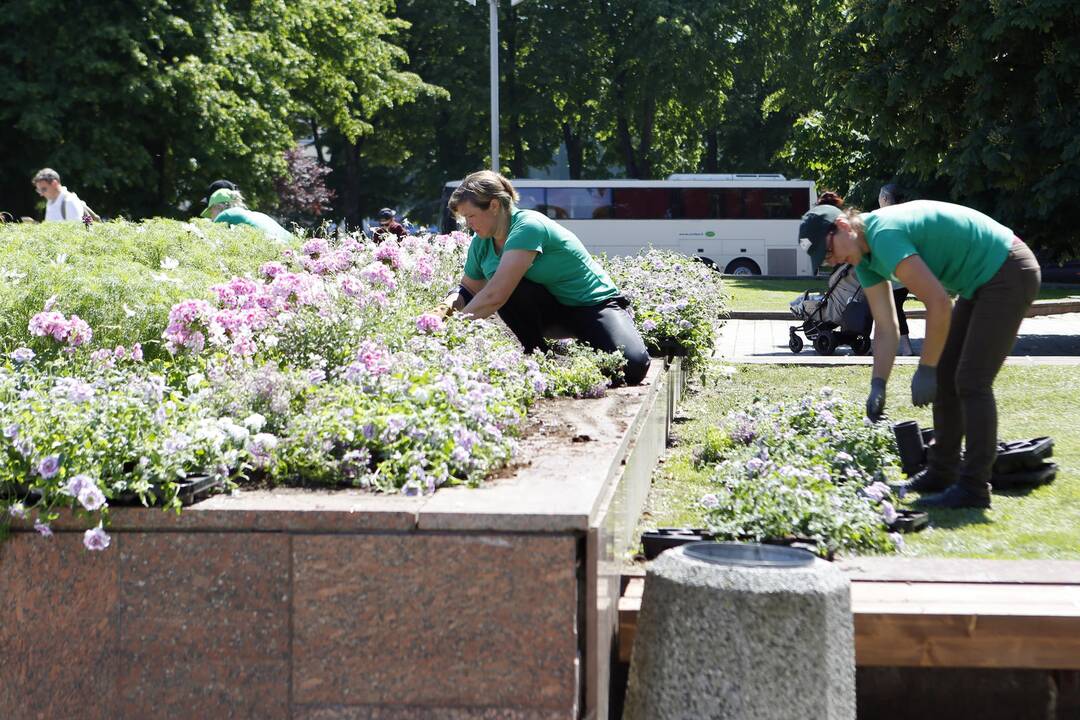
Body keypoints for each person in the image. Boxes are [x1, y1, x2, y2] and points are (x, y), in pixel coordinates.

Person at [799, 200, 1040, 509]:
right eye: (824, 259)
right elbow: (886, 327)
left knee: (971, 381)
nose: (831, 261)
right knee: (947, 375)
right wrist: (878, 385)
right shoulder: (865, 258)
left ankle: (974, 488)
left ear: (843, 226)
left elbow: (938, 303)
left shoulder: (884, 235)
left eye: (828, 251)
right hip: (981, 281)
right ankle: (942, 472)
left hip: (1008, 269)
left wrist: (925, 368)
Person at [437, 170, 651, 385]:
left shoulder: (528, 226)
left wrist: (452, 329)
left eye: (471, 216)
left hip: (594, 306)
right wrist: (441, 311)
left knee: (631, 368)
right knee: (511, 285)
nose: (467, 224)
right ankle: (539, 356)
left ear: (493, 205)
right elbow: (467, 288)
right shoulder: (481, 241)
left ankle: (597, 343)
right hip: (555, 312)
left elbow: (494, 295)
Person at [878, 184, 914, 355]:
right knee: (895, 309)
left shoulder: (882, 217)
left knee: (890, 309)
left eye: (880, 196)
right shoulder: (905, 216)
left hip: (892, 274)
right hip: (907, 273)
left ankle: (901, 347)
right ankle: (901, 346)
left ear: (885, 198)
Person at [200, 188, 293, 243]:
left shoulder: (226, 215)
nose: (211, 218)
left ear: (218, 207)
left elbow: (212, 243)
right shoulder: (259, 215)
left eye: (211, 212)